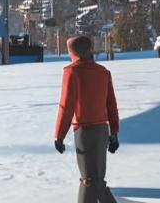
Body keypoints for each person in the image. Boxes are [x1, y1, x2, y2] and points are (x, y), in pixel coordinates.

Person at [55, 35, 120, 203]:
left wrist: (59, 135)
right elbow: (111, 105)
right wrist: (114, 133)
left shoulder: (72, 72)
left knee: (90, 180)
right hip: (102, 130)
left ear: (73, 52)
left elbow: (66, 106)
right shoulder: (103, 72)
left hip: (84, 132)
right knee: (95, 178)